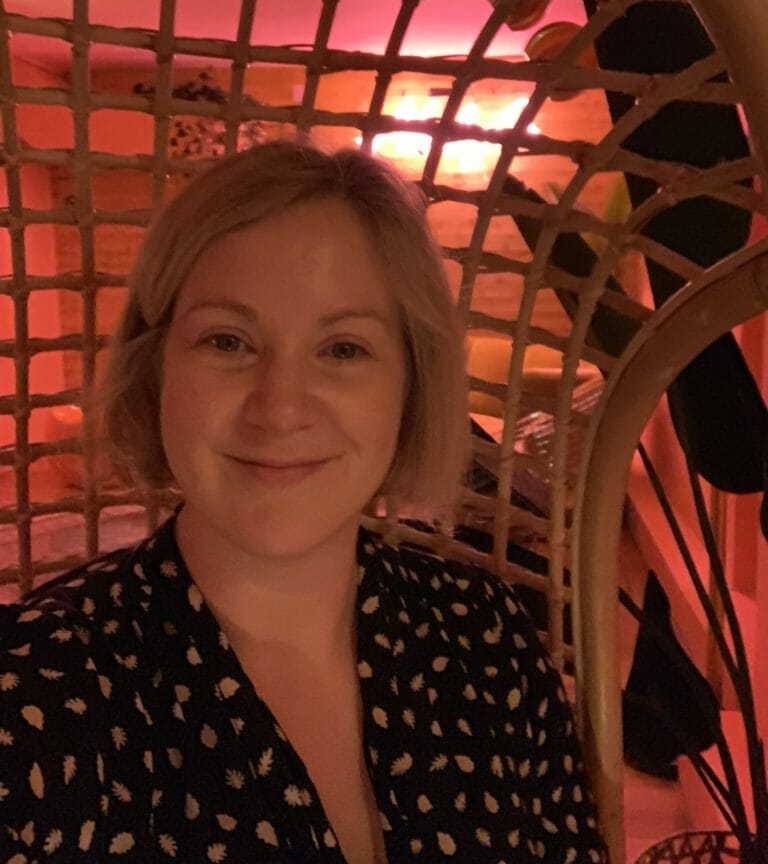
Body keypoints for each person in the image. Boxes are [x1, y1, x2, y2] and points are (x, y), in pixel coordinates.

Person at [0, 140, 605, 863]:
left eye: (343, 349)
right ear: (154, 367)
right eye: (228, 341)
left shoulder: (486, 635)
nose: (280, 409)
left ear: (409, 385)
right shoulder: (31, 688)